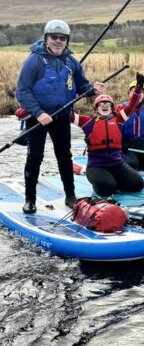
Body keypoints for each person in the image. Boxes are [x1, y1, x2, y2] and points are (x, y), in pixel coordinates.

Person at [15, 19, 102, 213]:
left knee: (64, 156)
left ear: (67, 40)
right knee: (34, 157)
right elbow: (22, 92)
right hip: (37, 117)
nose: (58, 41)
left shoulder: (71, 62)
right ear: (46, 38)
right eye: (54, 37)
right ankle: (30, 199)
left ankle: (70, 196)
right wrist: (39, 113)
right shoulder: (34, 60)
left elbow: (82, 85)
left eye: (62, 38)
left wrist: (92, 90)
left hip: (61, 116)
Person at [71, 73, 144, 197]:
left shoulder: (119, 120)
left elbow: (132, 105)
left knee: (138, 184)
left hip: (117, 164)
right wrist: (72, 93)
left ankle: (115, 181)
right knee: (108, 188)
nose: (105, 106)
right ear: (96, 108)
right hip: (96, 167)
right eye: (101, 104)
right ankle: (101, 184)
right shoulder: (87, 122)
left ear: (112, 108)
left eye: (108, 104)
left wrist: (139, 87)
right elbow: (69, 115)